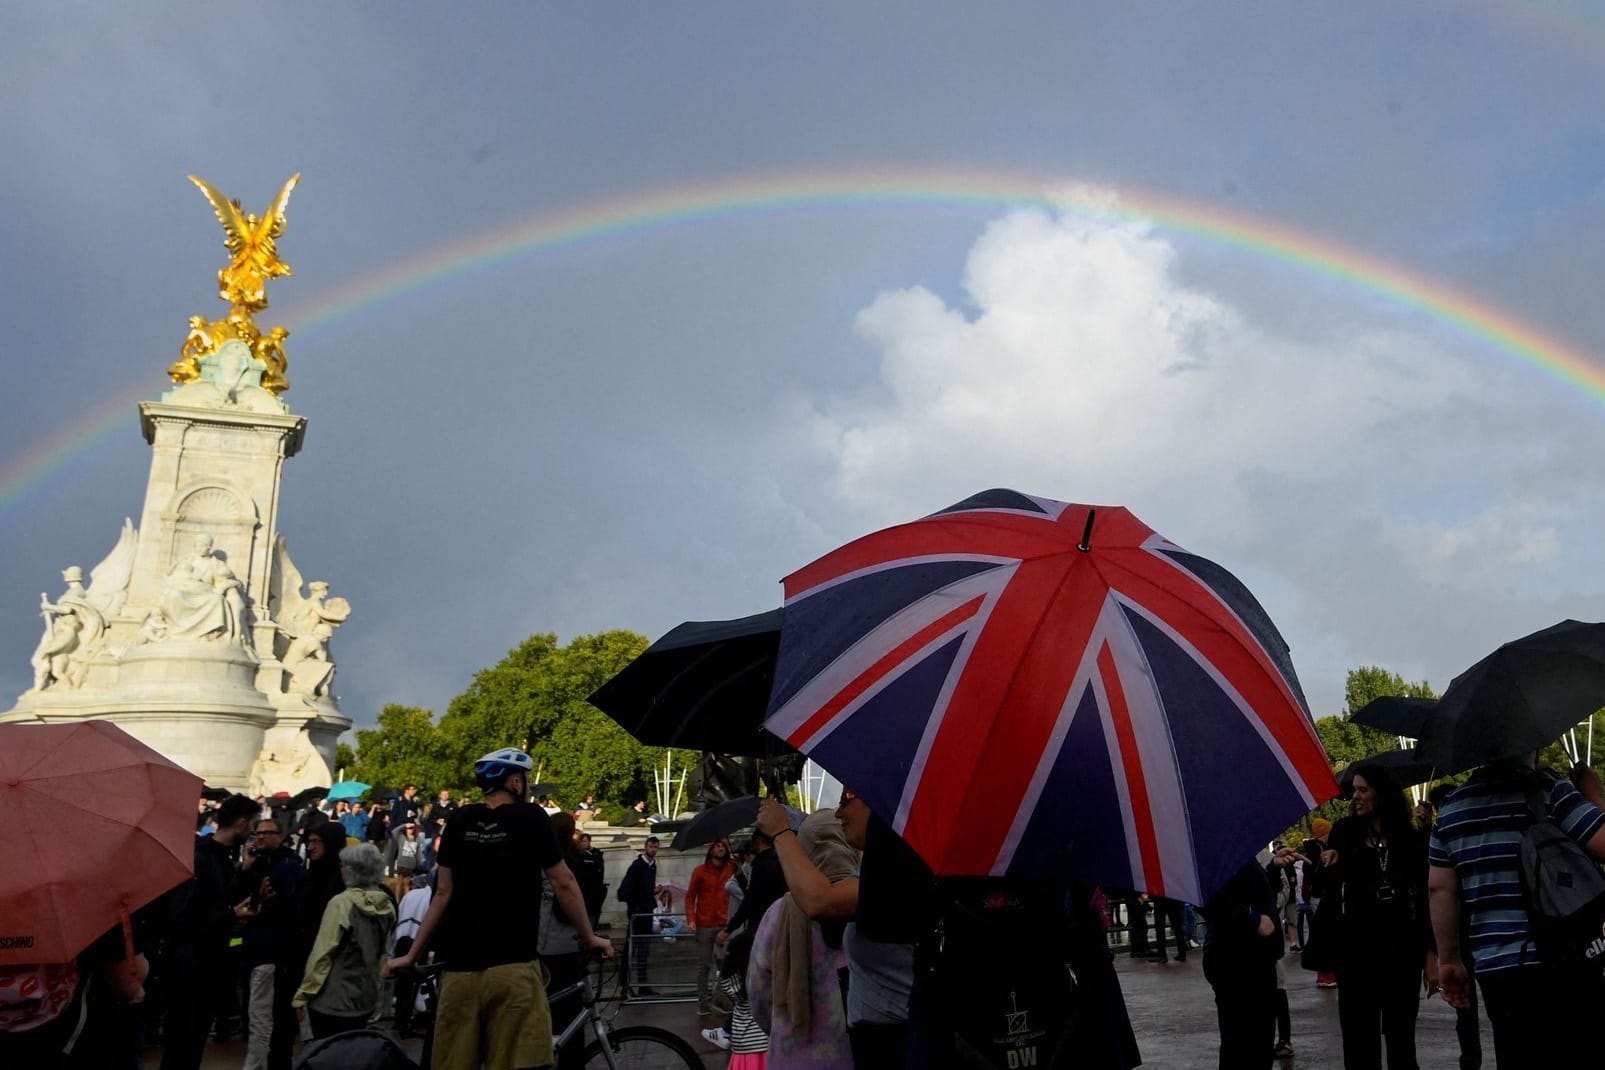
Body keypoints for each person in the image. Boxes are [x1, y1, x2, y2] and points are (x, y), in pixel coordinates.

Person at [384, 747, 611, 1070]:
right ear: (515, 783)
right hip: (512, 967)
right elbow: (563, 882)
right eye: (527, 781)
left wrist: (410, 955)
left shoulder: (459, 820)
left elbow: (443, 894)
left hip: (458, 970)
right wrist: (589, 937)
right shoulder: (531, 818)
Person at [1429, 753, 1605, 1068]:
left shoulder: (1452, 809)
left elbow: (1440, 889)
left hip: (1498, 968)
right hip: (1564, 957)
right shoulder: (1550, 789)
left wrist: (1450, 959)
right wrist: (1594, 795)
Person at [1319, 765, 1429, 1070]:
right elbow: (1326, 889)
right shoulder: (1344, 832)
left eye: (1362, 790)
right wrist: (1328, 864)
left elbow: (1422, 895)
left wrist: (1429, 952)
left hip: (1401, 953)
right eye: (1354, 790)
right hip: (1355, 954)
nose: (1355, 796)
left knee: (1402, 1042)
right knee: (1358, 1042)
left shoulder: (1408, 838)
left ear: (1382, 794)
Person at [748, 810, 859, 1069]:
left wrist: (781, 1023)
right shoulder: (870, 904)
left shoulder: (778, 914)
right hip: (854, 1054)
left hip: (791, 1054)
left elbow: (758, 991)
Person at [158, 792, 258, 1070]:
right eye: (252, 823)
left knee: (193, 1040)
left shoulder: (222, 859)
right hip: (190, 967)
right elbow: (184, 914)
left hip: (206, 965)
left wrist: (244, 874)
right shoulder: (202, 858)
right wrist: (230, 915)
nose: (253, 831)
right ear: (241, 822)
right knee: (183, 1041)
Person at [292, 844, 396, 1037]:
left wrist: (303, 995)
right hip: (366, 994)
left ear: (351, 869)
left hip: (333, 997)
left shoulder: (341, 903)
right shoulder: (386, 904)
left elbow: (322, 954)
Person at [1201, 857, 1284, 1070]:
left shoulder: (1239, 852)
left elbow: (1255, 893)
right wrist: (1251, 919)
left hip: (1256, 957)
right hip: (1237, 959)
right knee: (1242, 1043)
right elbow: (1208, 898)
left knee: (1256, 1040)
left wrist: (1272, 870)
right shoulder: (1216, 852)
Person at [238, 817, 303, 1070]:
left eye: (267, 833)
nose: (260, 837)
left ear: (280, 835)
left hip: (271, 952)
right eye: (257, 833)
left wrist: (256, 901)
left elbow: (266, 904)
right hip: (256, 950)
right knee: (258, 1015)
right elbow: (245, 901)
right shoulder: (259, 864)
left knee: (262, 1017)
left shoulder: (287, 866)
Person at [539, 813, 589, 1070]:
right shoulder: (573, 860)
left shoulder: (543, 858)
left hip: (545, 945)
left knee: (545, 1009)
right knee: (573, 1012)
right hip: (568, 942)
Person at [686, 838, 738, 1013]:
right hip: (705, 923)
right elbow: (690, 896)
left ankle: (718, 997)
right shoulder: (700, 871)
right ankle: (703, 1002)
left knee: (726, 963)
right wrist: (691, 920)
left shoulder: (732, 868)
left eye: (723, 846)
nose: (720, 848)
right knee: (705, 964)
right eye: (717, 846)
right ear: (711, 850)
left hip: (724, 922)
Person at [392, 873, 433, 1039]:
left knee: (402, 984)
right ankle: (409, 1020)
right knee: (416, 984)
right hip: (419, 943)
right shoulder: (430, 896)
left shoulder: (410, 895)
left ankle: (400, 1022)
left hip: (402, 941)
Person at [618, 835, 661, 994]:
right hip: (638, 912)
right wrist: (635, 906)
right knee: (632, 949)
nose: (653, 850)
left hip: (646, 911)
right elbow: (627, 888)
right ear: (645, 847)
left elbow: (645, 888)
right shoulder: (638, 865)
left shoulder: (652, 865)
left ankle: (643, 985)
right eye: (651, 846)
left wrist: (652, 891)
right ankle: (625, 986)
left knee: (644, 949)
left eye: (655, 847)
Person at [1299, 817, 1337, 988]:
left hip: (1315, 894)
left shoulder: (1311, 849)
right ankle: (1327, 973)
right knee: (1327, 932)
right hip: (1322, 894)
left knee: (1321, 931)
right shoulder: (1319, 851)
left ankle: (1324, 973)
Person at [573, 832, 607, 927]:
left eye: (584, 841)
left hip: (594, 890)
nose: (582, 844)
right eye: (580, 841)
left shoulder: (596, 855)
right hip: (583, 890)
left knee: (593, 913)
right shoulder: (577, 856)